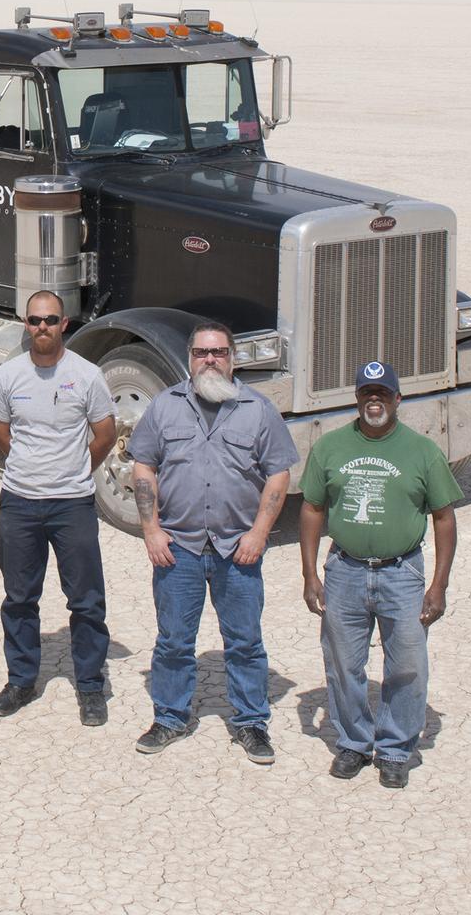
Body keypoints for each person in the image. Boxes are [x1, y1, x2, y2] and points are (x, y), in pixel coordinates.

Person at [128, 320, 298, 762]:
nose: (210, 360)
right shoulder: (165, 406)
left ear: (232, 359)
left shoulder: (258, 409)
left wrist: (259, 533)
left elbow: (279, 473)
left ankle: (251, 722)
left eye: (219, 352)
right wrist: (151, 530)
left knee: (245, 641)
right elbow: (143, 465)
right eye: (202, 352)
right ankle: (169, 717)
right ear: (190, 358)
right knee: (173, 641)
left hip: (238, 549)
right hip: (178, 547)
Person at [298, 358, 461, 790]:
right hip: (345, 570)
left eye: (383, 393)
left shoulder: (422, 451)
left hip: (401, 572)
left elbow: (444, 517)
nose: (375, 400)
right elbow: (312, 508)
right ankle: (354, 742)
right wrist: (310, 575)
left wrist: (439, 585)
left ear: (397, 399)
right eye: (367, 393)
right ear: (356, 399)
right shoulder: (330, 448)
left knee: (407, 663)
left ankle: (394, 749)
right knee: (343, 663)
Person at [0, 291, 118, 726]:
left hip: (72, 504)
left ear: (64, 324)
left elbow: (105, 434)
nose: (42, 327)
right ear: (26, 324)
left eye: (51, 320)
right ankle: (21, 680)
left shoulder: (87, 375)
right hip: (20, 502)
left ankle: (91, 686)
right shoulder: (8, 375)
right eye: (35, 320)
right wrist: (29, 467)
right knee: (20, 598)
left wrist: (74, 469)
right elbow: (1, 432)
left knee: (86, 600)